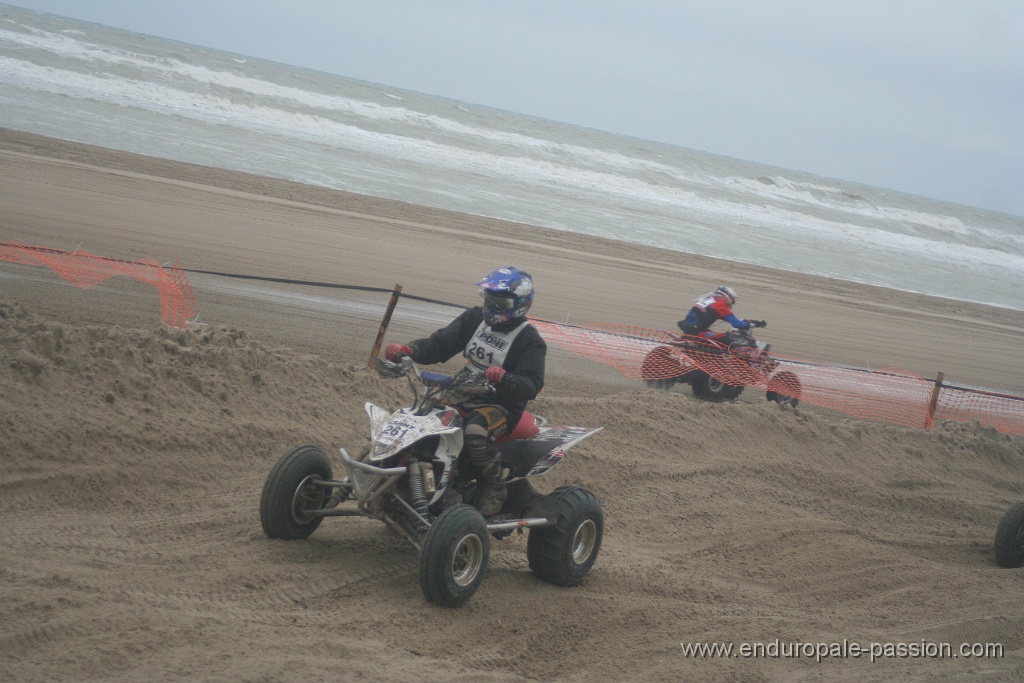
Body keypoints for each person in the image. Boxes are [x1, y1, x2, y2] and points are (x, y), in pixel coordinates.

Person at [385, 267, 546, 516]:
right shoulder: (474, 320)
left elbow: (532, 384)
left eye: (499, 302)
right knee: (420, 417)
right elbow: (441, 344)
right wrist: (411, 350)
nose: (491, 306)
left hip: (501, 403)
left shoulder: (530, 341)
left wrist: (505, 378)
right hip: (462, 389)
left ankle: (494, 486)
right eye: (488, 299)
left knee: (474, 432)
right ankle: (401, 472)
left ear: (520, 305)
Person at [677, 285, 766, 336]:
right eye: (732, 301)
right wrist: (753, 324)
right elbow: (737, 324)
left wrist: (748, 321)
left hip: (689, 327)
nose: (731, 303)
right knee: (728, 339)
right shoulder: (721, 305)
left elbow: (732, 318)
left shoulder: (708, 299)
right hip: (697, 332)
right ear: (728, 297)